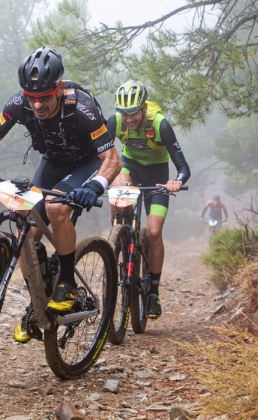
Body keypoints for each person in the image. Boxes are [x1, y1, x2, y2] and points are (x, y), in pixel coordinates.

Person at [0, 47, 121, 342]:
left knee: (56, 209)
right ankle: (38, 302)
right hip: (53, 163)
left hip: (86, 163)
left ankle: (66, 283)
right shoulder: (19, 103)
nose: (38, 105)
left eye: (44, 98)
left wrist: (94, 187)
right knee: (25, 230)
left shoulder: (82, 109)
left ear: (58, 89)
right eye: (33, 99)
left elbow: (112, 159)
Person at [106, 80, 190, 319]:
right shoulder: (115, 122)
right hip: (129, 166)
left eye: (133, 113)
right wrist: (107, 177)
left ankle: (153, 292)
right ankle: (118, 235)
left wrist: (177, 181)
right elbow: (100, 153)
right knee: (117, 190)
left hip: (158, 175)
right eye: (124, 112)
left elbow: (183, 166)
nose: (128, 118)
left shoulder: (160, 124)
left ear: (143, 108)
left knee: (153, 233)